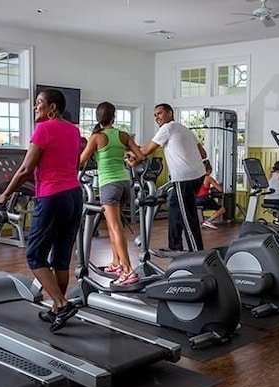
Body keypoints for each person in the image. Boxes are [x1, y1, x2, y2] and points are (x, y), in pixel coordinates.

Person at [0, 88, 82, 333]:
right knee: (61, 256)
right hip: (74, 195)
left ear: (52, 107)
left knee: (34, 255)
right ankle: (56, 310)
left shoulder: (44, 129)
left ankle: (61, 304)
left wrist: (5, 194)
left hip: (52, 196)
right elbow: (72, 164)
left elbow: (25, 169)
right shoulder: (74, 130)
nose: (36, 107)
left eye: (39, 103)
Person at [79, 102, 145, 286]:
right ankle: (116, 263)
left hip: (109, 185)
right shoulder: (122, 135)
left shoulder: (97, 137)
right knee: (112, 226)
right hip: (125, 184)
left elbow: (81, 160)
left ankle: (128, 270)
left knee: (115, 228)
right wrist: (130, 161)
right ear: (113, 116)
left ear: (98, 118)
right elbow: (140, 156)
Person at [141, 103, 206, 252]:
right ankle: (174, 247)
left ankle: (198, 253)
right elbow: (203, 154)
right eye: (155, 115)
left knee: (187, 217)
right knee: (174, 205)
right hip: (198, 175)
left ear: (170, 113)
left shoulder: (167, 128)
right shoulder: (184, 128)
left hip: (185, 179)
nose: (157, 117)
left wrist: (129, 150)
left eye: (160, 113)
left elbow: (147, 150)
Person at [196, 160, 226, 230]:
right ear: (209, 170)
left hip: (195, 200)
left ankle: (204, 222)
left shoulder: (197, 178)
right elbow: (220, 189)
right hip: (204, 199)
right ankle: (208, 221)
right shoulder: (208, 178)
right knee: (222, 209)